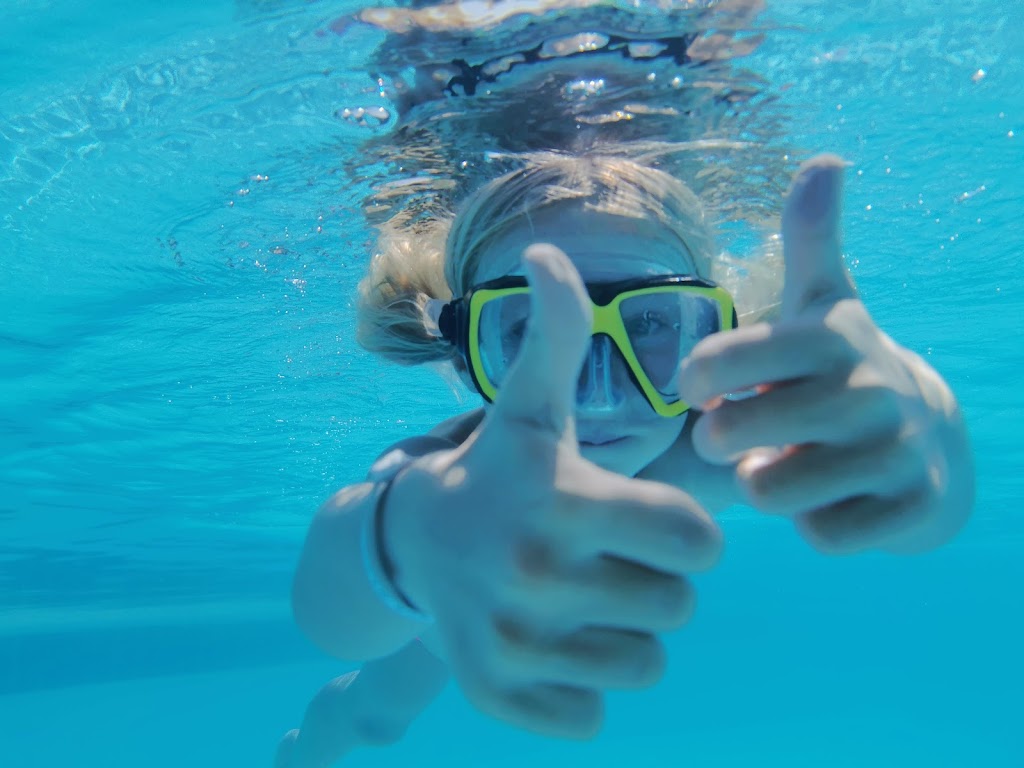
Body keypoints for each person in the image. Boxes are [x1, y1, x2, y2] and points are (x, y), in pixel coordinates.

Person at [273, 151, 974, 767]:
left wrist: (927, 423)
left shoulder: (724, 437)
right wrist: (405, 537)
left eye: (647, 325)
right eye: (530, 326)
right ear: (466, 355)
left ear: (710, 332)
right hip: (462, 616)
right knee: (374, 716)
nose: (602, 395)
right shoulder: (455, 477)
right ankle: (303, 754)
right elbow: (329, 613)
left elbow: (913, 512)